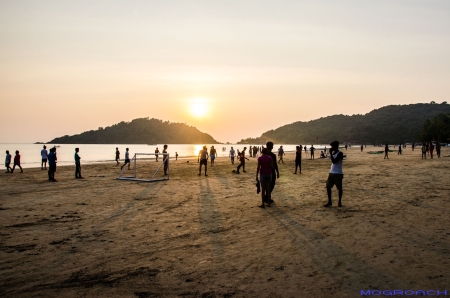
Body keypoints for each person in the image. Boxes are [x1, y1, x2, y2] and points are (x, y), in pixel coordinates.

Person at [324, 141, 344, 207]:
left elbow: (334, 161)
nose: (332, 148)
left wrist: (330, 153)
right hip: (332, 172)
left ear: (336, 146)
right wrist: (331, 153)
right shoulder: (334, 153)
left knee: (339, 188)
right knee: (328, 186)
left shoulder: (340, 153)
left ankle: (339, 202)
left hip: (338, 173)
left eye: (333, 146)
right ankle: (330, 201)